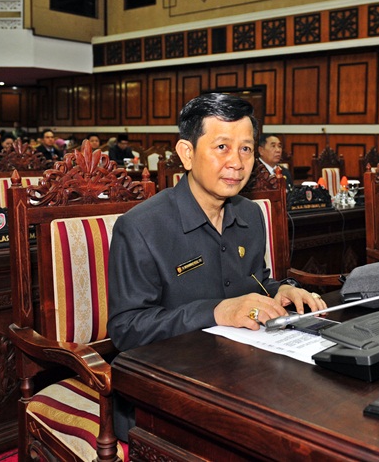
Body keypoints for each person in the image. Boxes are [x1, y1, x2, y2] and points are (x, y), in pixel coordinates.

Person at [107, 93, 326, 441]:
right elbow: (127, 329)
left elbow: (255, 280)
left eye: (246, 149)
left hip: (242, 373)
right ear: (187, 153)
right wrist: (216, 311)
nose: (236, 163)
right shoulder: (141, 227)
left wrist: (281, 290)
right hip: (162, 392)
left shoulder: (250, 214)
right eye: (222, 147)